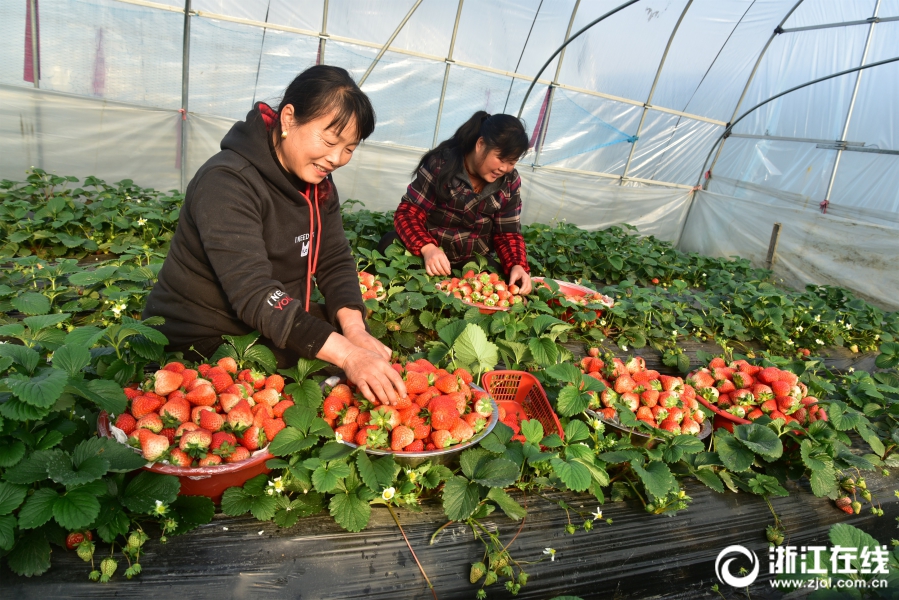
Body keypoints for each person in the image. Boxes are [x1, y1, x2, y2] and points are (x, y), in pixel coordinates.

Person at [143, 65, 406, 405]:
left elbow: (334, 260)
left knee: (359, 339)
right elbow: (254, 292)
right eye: (329, 140)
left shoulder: (317, 183)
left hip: (269, 318)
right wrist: (348, 356)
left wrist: (354, 332)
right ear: (288, 118)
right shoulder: (227, 181)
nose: (336, 158)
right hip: (203, 336)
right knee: (324, 375)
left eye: (350, 148)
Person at [379, 111, 533, 295]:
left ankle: (463, 290)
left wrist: (517, 265)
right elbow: (409, 212)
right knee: (389, 242)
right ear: (481, 144)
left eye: (512, 162)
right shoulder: (441, 164)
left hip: (472, 263)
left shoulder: (509, 182)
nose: (504, 168)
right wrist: (427, 248)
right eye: (501, 159)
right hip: (430, 255)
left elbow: (507, 233)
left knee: (505, 279)